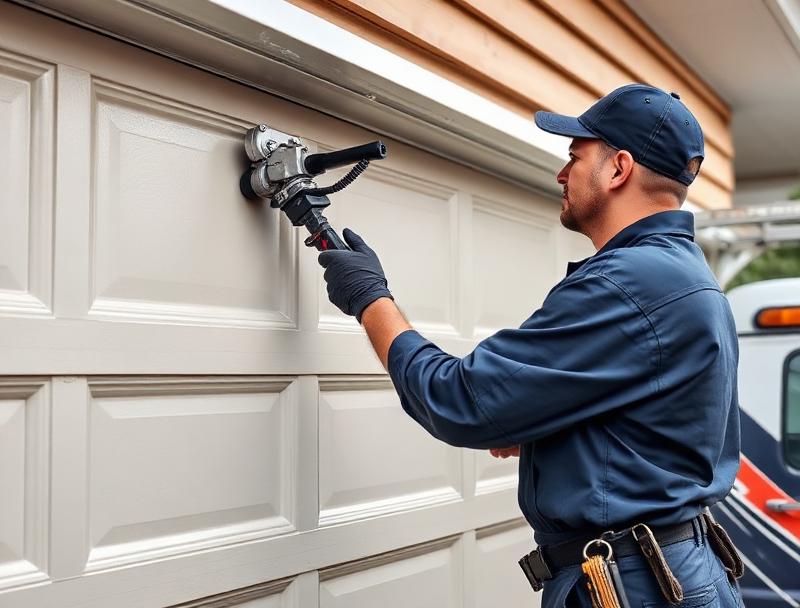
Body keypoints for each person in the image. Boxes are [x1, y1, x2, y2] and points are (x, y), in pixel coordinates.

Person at [317, 83, 743, 607]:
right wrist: (546, 435)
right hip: (671, 570)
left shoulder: (629, 283)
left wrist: (369, 298)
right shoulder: (684, 276)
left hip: (640, 586)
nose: (563, 174)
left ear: (619, 169)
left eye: (575, 156)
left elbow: (459, 400)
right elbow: (659, 426)